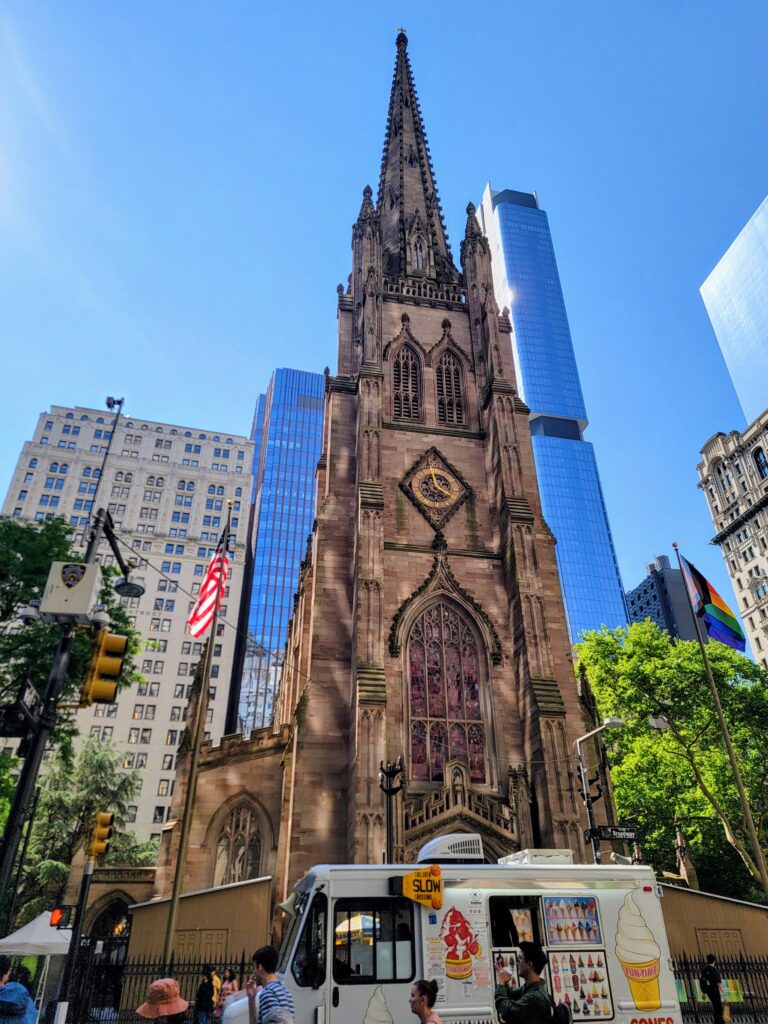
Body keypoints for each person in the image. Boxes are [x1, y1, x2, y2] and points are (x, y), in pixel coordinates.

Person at [495, 942, 552, 1024]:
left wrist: (501, 982)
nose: (517, 962)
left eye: (520, 958)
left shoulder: (535, 996)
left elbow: (507, 1011)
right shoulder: (530, 987)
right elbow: (510, 994)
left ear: (529, 965)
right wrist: (502, 975)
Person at [246, 946, 294, 1024]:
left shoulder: (268, 993)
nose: (253, 972)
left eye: (254, 967)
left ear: (260, 967)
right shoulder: (287, 993)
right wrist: (251, 999)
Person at [700, 953, 724, 1024]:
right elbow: (719, 983)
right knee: (718, 1007)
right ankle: (719, 1022)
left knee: (715, 1006)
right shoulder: (715, 971)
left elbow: (702, 981)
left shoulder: (704, 970)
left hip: (708, 991)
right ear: (714, 961)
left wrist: (703, 992)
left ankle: (717, 1021)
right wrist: (724, 995)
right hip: (715, 990)